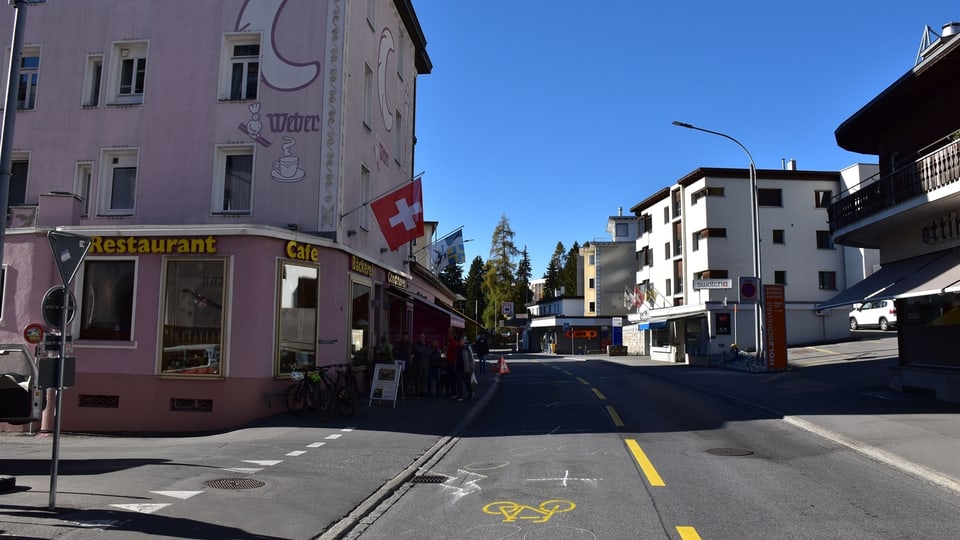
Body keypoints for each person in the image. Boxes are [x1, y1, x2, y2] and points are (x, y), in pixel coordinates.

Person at [456, 335, 475, 401]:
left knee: (467, 382)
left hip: (466, 368)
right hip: (458, 367)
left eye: (461, 341)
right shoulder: (457, 348)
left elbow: (471, 358)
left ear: (463, 341)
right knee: (459, 382)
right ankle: (460, 396)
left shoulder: (467, 348)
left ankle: (471, 392)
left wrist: (472, 366)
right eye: (459, 341)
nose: (460, 343)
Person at [412, 333, 431, 397]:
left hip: (426, 364)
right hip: (418, 364)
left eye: (423, 337)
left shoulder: (427, 345)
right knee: (418, 378)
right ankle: (418, 391)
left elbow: (429, 352)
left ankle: (424, 391)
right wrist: (424, 351)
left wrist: (423, 351)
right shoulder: (416, 345)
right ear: (419, 338)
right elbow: (418, 350)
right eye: (421, 337)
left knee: (424, 378)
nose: (422, 338)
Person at [444, 330, 459, 397]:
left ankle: (454, 392)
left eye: (449, 335)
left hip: (452, 363)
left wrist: (455, 363)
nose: (448, 336)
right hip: (449, 362)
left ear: (452, 335)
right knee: (449, 378)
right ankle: (450, 392)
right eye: (448, 335)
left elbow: (455, 355)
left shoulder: (453, 343)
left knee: (452, 378)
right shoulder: (449, 343)